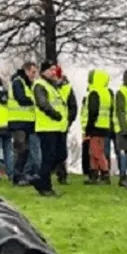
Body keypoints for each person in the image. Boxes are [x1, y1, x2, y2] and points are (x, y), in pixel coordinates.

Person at [31, 60, 67, 196]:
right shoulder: (40, 85)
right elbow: (42, 103)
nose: (53, 72)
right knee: (49, 157)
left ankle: (40, 180)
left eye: (54, 70)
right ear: (43, 71)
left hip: (56, 127)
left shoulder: (51, 86)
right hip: (47, 127)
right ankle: (45, 186)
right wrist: (55, 114)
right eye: (51, 70)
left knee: (59, 155)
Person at [9, 61, 39, 185]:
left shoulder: (28, 84)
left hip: (27, 122)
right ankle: (17, 176)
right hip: (18, 121)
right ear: (26, 71)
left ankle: (22, 175)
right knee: (21, 149)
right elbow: (21, 99)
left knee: (26, 151)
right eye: (33, 72)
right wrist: (35, 100)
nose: (34, 75)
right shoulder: (18, 82)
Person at [82, 69, 114, 184]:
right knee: (94, 151)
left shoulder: (94, 93)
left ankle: (105, 174)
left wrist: (88, 128)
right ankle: (94, 175)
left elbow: (93, 112)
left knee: (96, 152)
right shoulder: (106, 93)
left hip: (95, 127)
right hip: (104, 126)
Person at [54, 65, 77, 185]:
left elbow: (73, 108)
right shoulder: (48, 87)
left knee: (61, 151)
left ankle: (62, 174)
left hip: (62, 125)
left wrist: (68, 121)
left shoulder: (67, 88)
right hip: (49, 125)